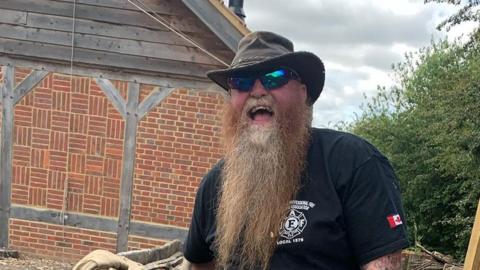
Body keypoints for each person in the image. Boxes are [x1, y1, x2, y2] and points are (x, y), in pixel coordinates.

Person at [183, 31, 409, 270]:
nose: (257, 91)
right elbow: (197, 265)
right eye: (242, 82)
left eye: (274, 77)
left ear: (302, 93)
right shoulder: (215, 184)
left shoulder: (353, 162)